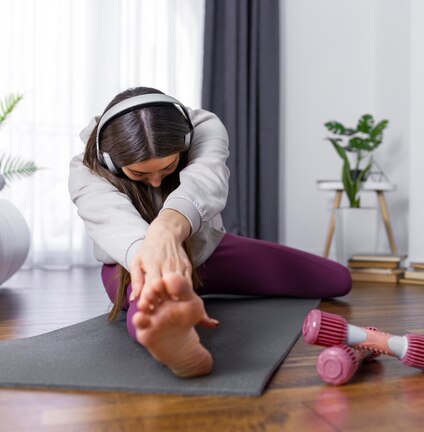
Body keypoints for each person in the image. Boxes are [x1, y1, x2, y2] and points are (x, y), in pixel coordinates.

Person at [68, 87, 351, 378]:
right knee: (151, 307)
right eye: (139, 174)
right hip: (135, 266)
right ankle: (175, 341)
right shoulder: (85, 168)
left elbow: (206, 180)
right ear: (112, 161)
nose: (154, 183)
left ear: (185, 143)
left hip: (208, 252)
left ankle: (182, 299)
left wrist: (166, 229)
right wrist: (153, 255)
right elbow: (111, 218)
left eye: (167, 167)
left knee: (338, 280)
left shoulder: (203, 128)